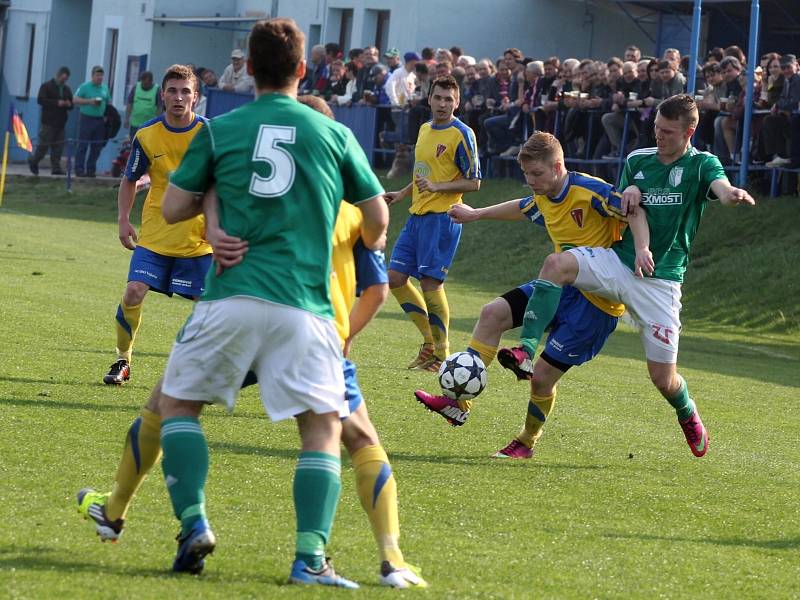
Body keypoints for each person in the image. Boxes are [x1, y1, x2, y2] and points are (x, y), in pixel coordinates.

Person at [114, 18, 387, 584]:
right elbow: (379, 222)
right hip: (305, 307)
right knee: (322, 431)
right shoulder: (333, 135)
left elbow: (171, 210)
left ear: (248, 73)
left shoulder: (222, 129)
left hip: (231, 295)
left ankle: (193, 522)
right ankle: (309, 558)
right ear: (303, 70)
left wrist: (212, 219)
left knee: (178, 407)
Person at [500, 94, 755, 459]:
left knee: (662, 379)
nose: (659, 136)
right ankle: (525, 349)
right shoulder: (638, 159)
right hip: (620, 263)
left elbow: (721, 188)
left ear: (690, 131)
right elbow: (625, 202)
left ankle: (686, 411)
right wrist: (632, 193)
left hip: (661, 280)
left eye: (668, 131)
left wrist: (732, 195)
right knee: (556, 264)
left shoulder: (702, 165)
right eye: (656, 128)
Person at [414, 133, 645, 458]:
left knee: (541, 381)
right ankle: (457, 403)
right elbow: (523, 207)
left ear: (558, 166)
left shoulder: (590, 191)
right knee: (493, 313)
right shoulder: (544, 194)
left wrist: (642, 251)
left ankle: (526, 441)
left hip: (597, 305)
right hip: (560, 287)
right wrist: (476, 214)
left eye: (537, 174)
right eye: (527, 175)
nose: (531, 181)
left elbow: (633, 212)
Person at [101, 64, 211, 386]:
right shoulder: (147, 135)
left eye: (185, 91)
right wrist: (123, 220)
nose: (179, 97)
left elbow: (225, 182)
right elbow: (130, 180)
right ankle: (123, 360)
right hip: (154, 236)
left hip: (198, 239)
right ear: (162, 95)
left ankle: (202, 370)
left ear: (196, 97)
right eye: (173, 91)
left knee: (208, 309)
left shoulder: (210, 134)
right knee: (134, 292)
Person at [385, 76, 481, 372]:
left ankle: (442, 353)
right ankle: (429, 343)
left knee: (430, 284)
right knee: (395, 278)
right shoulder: (425, 129)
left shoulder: (463, 133)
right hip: (417, 216)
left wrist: (438, 187)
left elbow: (475, 182)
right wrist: (401, 194)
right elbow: (421, 175)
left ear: (457, 102)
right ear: (429, 99)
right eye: (438, 98)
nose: (442, 104)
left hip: (443, 218)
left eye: (448, 99)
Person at [29, 66, 72, 175]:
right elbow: (41, 100)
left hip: (61, 122)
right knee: (44, 145)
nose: (64, 81)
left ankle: (56, 168)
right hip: (48, 122)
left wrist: (68, 104)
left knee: (58, 147)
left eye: (66, 79)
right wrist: (56, 103)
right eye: (62, 78)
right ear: (58, 76)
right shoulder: (46, 86)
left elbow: (71, 104)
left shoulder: (67, 89)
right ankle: (34, 161)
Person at [73, 65, 110, 177]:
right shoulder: (85, 87)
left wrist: (107, 115)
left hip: (99, 120)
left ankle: (91, 169)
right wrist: (90, 101)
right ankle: (79, 169)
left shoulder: (104, 88)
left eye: (101, 75)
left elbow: (108, 101)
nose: (99, 77)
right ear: (92, 76)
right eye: (97, 75)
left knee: (97, 146)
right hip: (86, 118)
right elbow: (75, 99)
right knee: (83, 145)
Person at [124, 71, 161, 140]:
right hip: (135, 124)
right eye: (142, 82)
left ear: (151, 81)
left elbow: (160, 107)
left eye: (146, 83)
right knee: (134, 145)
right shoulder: (136, 87)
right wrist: (127, 119)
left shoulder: (157, 89)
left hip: (149, 126)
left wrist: (158, 122)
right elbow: (129, 103)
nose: (143, 85)